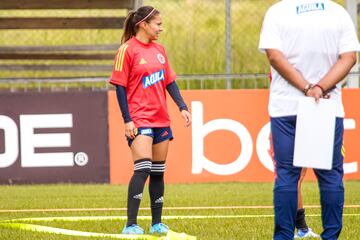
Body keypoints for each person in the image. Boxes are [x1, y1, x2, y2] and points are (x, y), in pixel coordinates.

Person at [259, 0, 359, 239]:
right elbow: (349, 58)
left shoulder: (277, 11)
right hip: (326, 104)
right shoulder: (338, 12)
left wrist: (306, 88)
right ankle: (331, 236)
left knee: (287, 174)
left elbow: (274, 56)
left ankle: (284, 236)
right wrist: (320, 87)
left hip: (286, 106)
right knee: (330, 175)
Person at [109, 6, 191, 235]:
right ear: (143, 24)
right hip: (139, 118)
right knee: (142, 168)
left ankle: (156, 223)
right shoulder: (126, 50)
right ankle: (131, 224)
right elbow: (120, 87)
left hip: (161, 120)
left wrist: (182, 107)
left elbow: (169, 82)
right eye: (158, 24)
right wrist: (127, 120)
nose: (161, 28)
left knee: (157, 171)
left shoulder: (160, 50)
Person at [269, 135, 319, 238]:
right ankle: (290, 229)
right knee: (293, 180)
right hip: (295, 132)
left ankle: (300, 228)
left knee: (296, 179)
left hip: (292, 131)